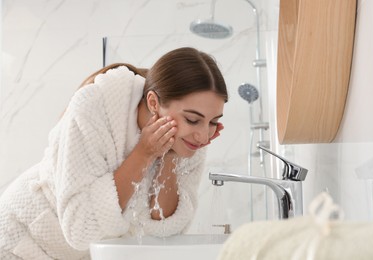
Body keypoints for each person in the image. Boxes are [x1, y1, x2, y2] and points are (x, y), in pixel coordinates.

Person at [0, 47, 228, 259]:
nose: (204, 136)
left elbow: (164, 232)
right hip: (21, 241)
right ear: (153, 103)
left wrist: (169, 155)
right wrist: (144, 153)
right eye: (193, 119)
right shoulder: (95, 106)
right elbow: (82, 228)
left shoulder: (187, 140)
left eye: (213, 122)